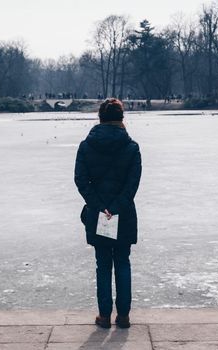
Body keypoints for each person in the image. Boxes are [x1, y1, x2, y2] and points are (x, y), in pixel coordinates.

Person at [74, 98, 142, 329]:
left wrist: (100, 206)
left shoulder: (86, 146)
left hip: (98, 213)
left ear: (100, 118)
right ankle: (123, 316)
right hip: (122, 214)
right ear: (122, 118)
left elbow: (81, 180)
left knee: (103, 264)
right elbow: (132, 185)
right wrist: (115, 207)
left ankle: (104, 316)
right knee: (122, 262)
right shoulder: (132, 148)